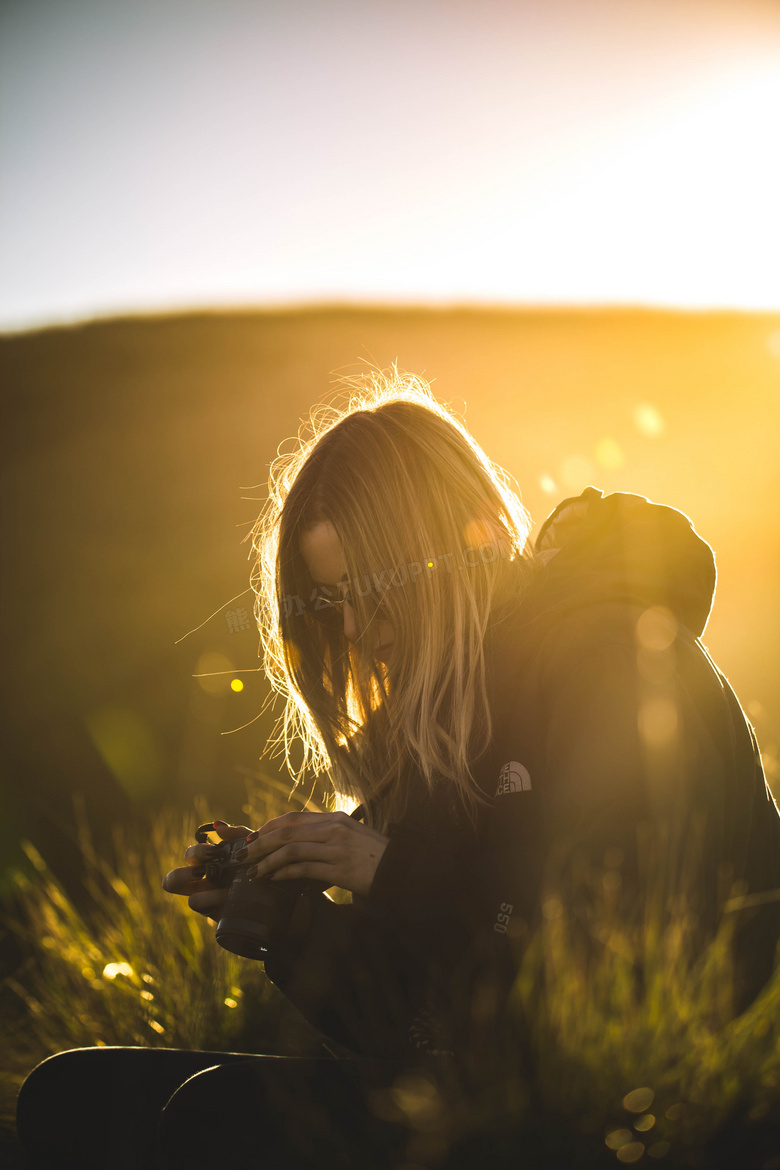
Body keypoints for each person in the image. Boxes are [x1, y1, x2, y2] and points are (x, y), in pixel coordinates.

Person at [16, 373, 780, 1168]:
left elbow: (614, 961)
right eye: (327, 600)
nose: (350, 628)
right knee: (72, 1098)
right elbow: (428, 1031)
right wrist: (292, 929)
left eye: (368, 590)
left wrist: (394, 868)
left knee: (211, 1121)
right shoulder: (451, 724)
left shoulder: (610, 659)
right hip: (523, 1092)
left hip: (669, 1115)